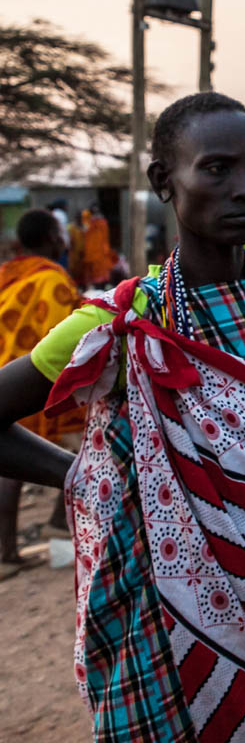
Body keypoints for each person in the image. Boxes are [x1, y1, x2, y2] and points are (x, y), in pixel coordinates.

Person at [0, 92, 245, 739]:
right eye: (217, 168)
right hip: (160, 612)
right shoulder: (121, 322)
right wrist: (90, 479)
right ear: (165, 180)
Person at [0, 209, 86, 578]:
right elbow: (57, 335)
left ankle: (12, 546)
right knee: (22, 459)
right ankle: (7, 550)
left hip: (4, 364)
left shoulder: (8, 272)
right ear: (53, 236)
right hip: (28, 376)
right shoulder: (51, 279)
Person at [79, 206, 118, 289]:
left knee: (101, 276)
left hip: (100, 253)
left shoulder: (102, 223)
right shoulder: (89, 222)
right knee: (95, 276)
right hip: (93, 253)